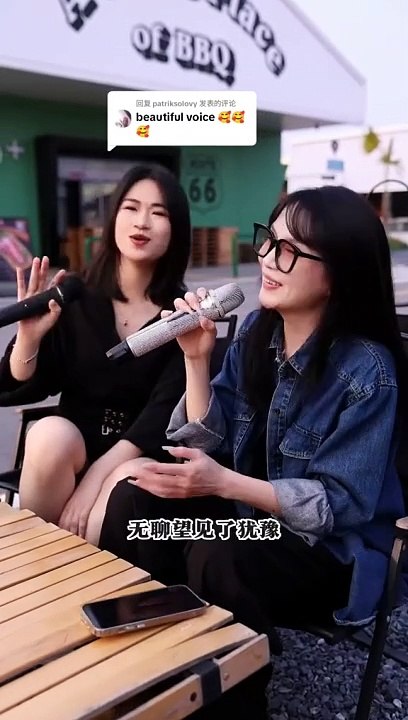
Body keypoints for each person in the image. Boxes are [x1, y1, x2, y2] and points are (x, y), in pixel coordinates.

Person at [99, 185, 408, 719]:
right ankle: (142, 674)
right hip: (252, 527)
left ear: (338, 273)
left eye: (289, 251)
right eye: (269, 240)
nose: (266, 257)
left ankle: (229, 703)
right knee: (136, 503)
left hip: (326, 557)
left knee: (219, 550)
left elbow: (337, 506)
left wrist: (222, 483)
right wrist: (196, 360)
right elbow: (207, 443)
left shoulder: (368, 372)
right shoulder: (254, 338)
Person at [0, 162, 191, 546]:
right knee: (48, 434)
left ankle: (85, 575)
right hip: (72, 449)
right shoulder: (75, 295)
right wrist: (29, 337)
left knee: (128, 477)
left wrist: (93, 482)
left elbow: (162, 415)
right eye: (131, 208)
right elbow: (16, 385)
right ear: (113, 217)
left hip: (137, 457)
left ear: (176, 230)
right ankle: (37, 555)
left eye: (158, 213)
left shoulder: (182, 313)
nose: (142, 222)